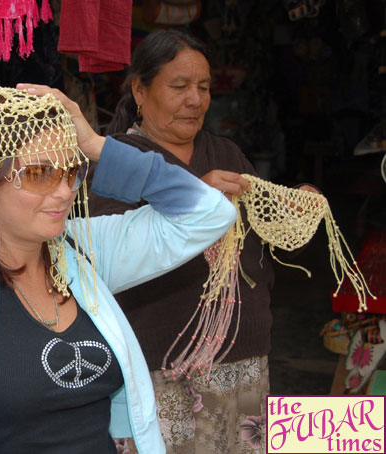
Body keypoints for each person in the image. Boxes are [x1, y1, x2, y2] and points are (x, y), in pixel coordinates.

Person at [0, 84, 236, 453]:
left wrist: (96, 145)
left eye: (72, 171)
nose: (63, 192)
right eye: (39, 173)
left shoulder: (82, 250)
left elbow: (211, 213)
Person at [92, 29, 318, 454]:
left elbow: (267, 241)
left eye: (204, 87)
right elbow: (103, 255)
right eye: (179, 87)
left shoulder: (227, 153)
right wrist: (196, 197)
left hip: (245, 359)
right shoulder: (117, 160)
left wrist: (294, 213)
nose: (195, 99)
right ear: (140, 90)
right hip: (163, 367)